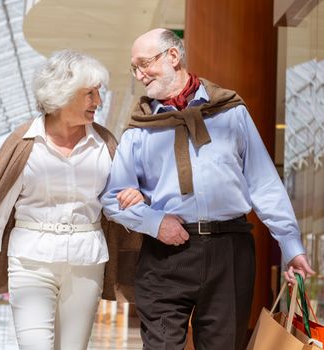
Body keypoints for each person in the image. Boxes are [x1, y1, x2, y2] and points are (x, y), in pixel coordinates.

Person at [100, 28, 315, 350]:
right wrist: (155, 222)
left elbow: (263, 182)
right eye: (135, 68)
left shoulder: (230, 112)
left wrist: (290, 244)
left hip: (230, 250)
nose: (140, 75)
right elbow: (113, 198)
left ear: (173, 56)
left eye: (144, 64)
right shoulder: (139, 129)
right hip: (165, 252)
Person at [0, 49, 143, 350]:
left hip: (86, 261)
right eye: (89, 94)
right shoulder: (24, 143)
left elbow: (118, 200)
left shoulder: (104, 143)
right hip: (30, 261)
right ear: (62, 94)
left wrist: (132, 196)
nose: (98, 102)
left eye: (98, 93)